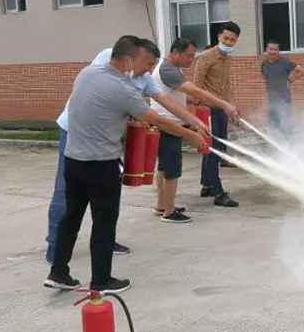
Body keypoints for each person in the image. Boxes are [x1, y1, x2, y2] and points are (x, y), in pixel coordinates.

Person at [44, 36, 206, 293]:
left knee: (71, 216)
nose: (148, 70)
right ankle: (101, 281)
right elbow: (156, 118)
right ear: (129, 59)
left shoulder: (87, 74)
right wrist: (191, 134)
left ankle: (59, 272)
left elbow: (100, 109)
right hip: (101, 165)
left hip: (74, 160)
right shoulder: (122, 88)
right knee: (104, 222)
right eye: (147, 63)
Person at [151, 37, 239, 223]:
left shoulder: (172, 68)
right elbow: (195, 90)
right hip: (169, 125)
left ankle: (162, 205)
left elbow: (171, 94)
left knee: (164, 167)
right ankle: (169, 212)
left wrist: (190, 101)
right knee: (172, 170)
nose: (191, 60)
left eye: (192, 56)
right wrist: (224, 104)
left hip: (166, 124)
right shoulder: (168, 69)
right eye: (188, 56)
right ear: (175, 52)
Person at [194, 21, 242, 208]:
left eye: (232, 40)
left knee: (217, 149)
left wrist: (232, 107)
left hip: (221, 110)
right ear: (219, 36)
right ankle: (218, 193)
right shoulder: (206, 57)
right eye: (226, 38)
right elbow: (196, 87)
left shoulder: (227, 58)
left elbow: (226, 86)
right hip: (208, 110)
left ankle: (207, 185)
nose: (228, 42)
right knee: (213, 151)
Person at [260, 40, 304, 137]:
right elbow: (266, 77)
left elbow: (301, 70)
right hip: (272, 100)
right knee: (273, 125)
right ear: (266, 50)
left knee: (285, 124)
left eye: (275, 49)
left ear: (278, 51)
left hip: (284, 99)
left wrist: (291, 80)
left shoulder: (285, 62)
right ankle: (277, 142)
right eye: (271, 49)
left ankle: (289, 143)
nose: (273, 51)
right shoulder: (264, 64)